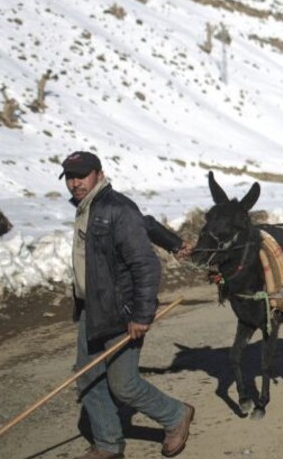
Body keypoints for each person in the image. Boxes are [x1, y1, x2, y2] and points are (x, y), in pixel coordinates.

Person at [60, 150, 194, 459]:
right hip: (91, 309)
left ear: (99, 175)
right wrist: (172, 241)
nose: (75, 183)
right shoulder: (87, 207)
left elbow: (145, 265)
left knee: (124, 385)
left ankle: (176, 415)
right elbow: (145, 224)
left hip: (122, 313)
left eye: (82, 175)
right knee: (89, 376)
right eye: (70, 177)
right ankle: (107, 444)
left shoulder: (116, 208)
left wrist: (141, 314)